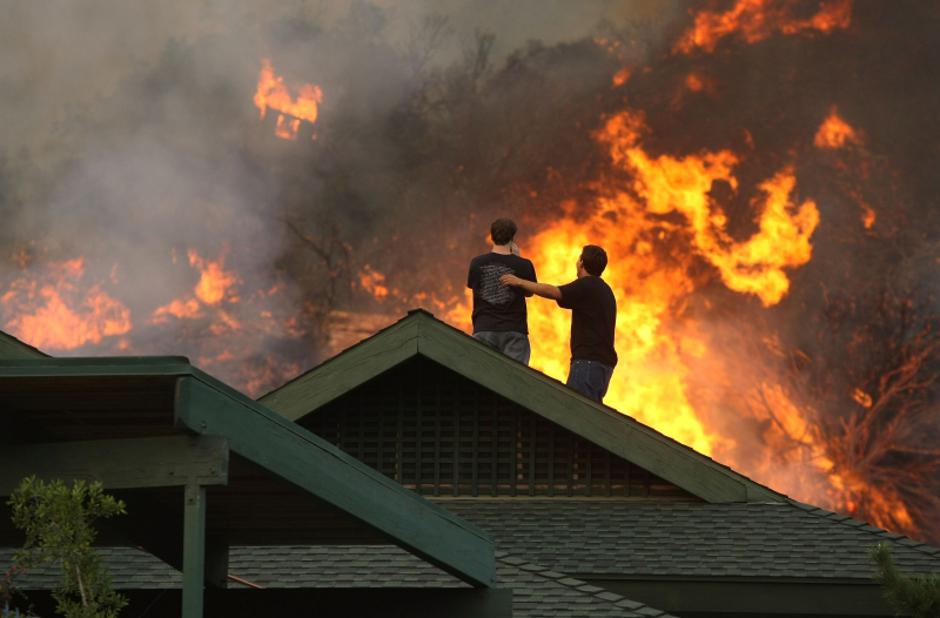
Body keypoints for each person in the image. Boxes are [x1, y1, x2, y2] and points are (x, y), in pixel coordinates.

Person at [501, 245, 617, 403]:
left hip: (588, 363)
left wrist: (520, 282)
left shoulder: (587, 285)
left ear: (581, 263)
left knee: (577, 412)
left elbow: (553, 292)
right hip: (601, 366)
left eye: (578, 258)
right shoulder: (605, 290)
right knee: (589, 414)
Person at [467, 219, 538, 364]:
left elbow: (474, 287)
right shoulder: (524, 264)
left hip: (484, 329)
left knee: (481, 380)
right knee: (513, 382)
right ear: (513, 238)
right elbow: (530, 293)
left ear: (491, 236)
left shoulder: (476, 263)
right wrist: (517, 259)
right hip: (514, 332)